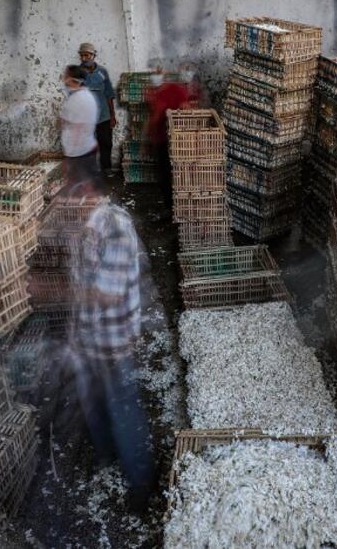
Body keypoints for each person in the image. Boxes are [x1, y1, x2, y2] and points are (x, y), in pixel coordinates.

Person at [67, 174, 152, 507]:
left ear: (87, 190)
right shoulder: (85, 225)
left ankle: (142, 483)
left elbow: (109, 294)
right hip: (87, 338)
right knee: (93, 401)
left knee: (123, 406)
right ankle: (106, 456)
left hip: (112, 342)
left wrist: (50, 292)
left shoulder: (115, 226)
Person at [144, 70, 195, 211]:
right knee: (167, 174)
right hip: (164, 139)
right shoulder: (151, 92)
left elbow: (186, 108)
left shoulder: (174, 89)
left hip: (176, 140)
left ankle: (179, 204)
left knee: (176, 172)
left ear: (164, 74)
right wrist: (149, 138)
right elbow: (152, 117)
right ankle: (172, 206)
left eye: (158, 72)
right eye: (154, 72)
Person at [76, 43, 117, 176]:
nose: (84, 58)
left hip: (103, 115)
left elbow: (109, 94)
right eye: (82, 56)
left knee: (106, 143)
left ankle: (107, 167)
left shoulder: (102, 72)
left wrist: (112, 115)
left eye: (87, 55)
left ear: (93, 55)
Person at [60, 65, 102, 185]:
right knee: (87, 185)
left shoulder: (76, 100)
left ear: (73, 80)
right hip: (87, 147)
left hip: (79, 152)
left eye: (66, 76)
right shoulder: (87, 96)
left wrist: (69, 158)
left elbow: (75, 127)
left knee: (82, 187)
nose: (64, 80)